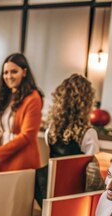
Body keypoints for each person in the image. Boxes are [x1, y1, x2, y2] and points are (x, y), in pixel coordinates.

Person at [35, 74, 101, 206]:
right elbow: (93, 170)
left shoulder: (50, 131)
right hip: (74, 191)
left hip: (51, 187)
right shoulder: (87, 134)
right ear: (87, 103)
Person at [0, 53, 43, 172]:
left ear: (24, 72)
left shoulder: (33, 98)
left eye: (14, 72)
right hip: (4, 159)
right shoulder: (7, 96)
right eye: (5, 72)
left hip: (22, 162)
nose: (9, 76)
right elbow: (7, 130)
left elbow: (27, 136)